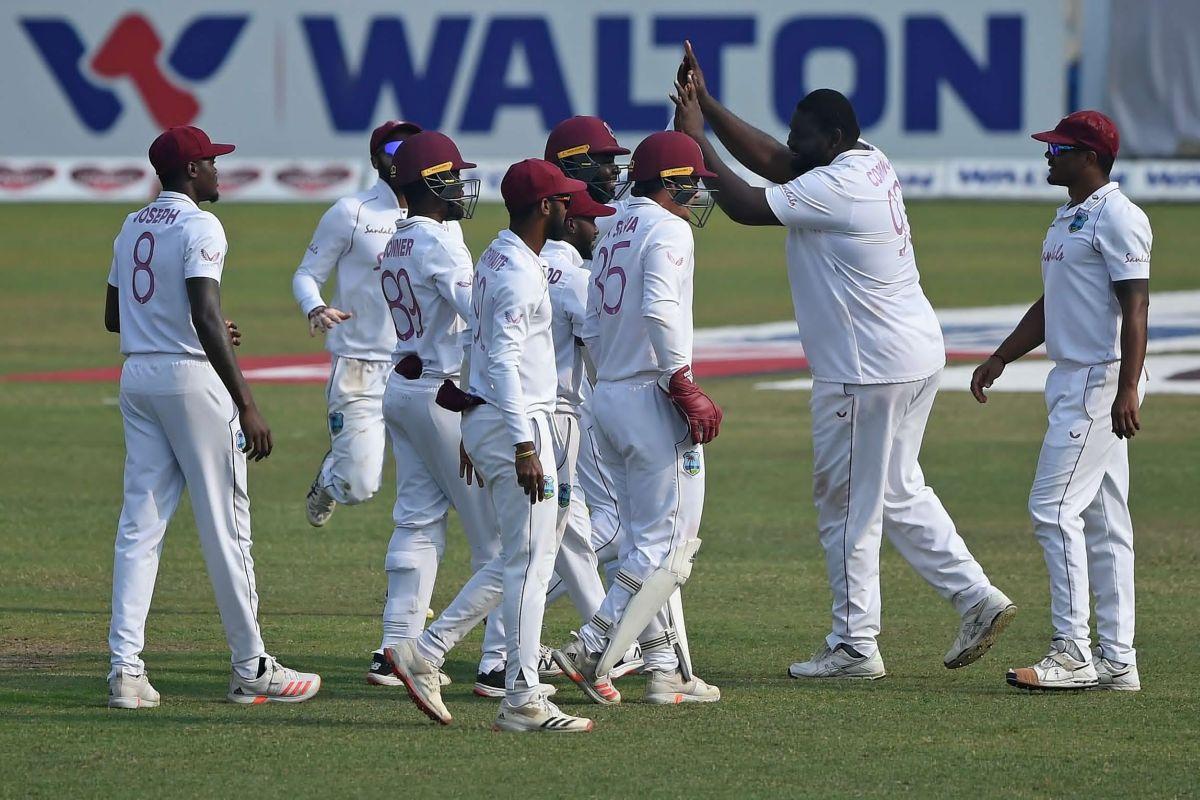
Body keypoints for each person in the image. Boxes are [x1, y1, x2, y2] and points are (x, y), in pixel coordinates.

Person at [670, 42, 1015, 679]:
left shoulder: (837, 187)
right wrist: (710, 107)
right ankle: (976, 598)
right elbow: (778, 160)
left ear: (831, 138)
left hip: (866, 368)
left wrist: (693, 144)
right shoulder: (863, 159)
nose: (791, 146)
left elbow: (747, 205)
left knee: (845, 503)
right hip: (911, 355)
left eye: (803, 137)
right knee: (896, 489)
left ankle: (856, 645)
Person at [104, 126, 320, 707]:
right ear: (191, 171)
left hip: (139, 378)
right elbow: (203, 311)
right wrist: (246, 402)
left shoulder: (131, 226)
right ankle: (252, 666)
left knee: (138, 530)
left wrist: (187, 325)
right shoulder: (202, 225)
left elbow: (114, 316)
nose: (218, 172)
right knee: (228, 528)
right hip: (191, 383)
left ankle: (126, 672)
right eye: (211, 163)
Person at [388, 159, 594, 733]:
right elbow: (501, 358)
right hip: (516, 423)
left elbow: (481, 346)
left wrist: (481, 425)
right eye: (564, 200)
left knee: (520, 557)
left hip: (495, 420)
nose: (573, 208)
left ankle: (426, 652)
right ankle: (523, 699)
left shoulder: (497, 258)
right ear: (545, 207)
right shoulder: (516, 273)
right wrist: (521, 444)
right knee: (529, 563)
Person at [972, 111, 1150, 692]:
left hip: (1098, 384)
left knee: (1052, 510)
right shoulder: (1070, 217)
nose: (1050, 157)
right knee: (1104, 521)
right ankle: (1117, 660)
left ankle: (1072, 652)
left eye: (1060, 150)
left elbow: (1136, 307)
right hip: (1074, 379)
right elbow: (1054, 304)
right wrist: (1002, 356)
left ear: (1090, 158)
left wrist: (1127, 387)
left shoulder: (1118, 218)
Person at [552, 131, 723, 706]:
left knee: (643, 544)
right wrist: (681, 380)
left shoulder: (613, 223)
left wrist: (618, 379)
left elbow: (596, 320)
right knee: (671, 547)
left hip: (610, 394)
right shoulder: (667, 228)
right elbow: (658, 306)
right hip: (652, 394)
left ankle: (665, 670)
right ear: (672, 183)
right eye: (694, 181)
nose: (698, 193)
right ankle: (593, 644)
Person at [367, 130, 509, 693]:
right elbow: (480, 313)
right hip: (444, 391)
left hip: (403, 388)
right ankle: (498, 662)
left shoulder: (397, 241)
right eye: (453, 176)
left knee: (417, 520)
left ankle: (391, 647)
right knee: (498, 539)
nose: (462, 187)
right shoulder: (439, 241)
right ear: (430, 183)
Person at [293, 120, 422, 527]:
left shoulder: (440, 215)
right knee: (360, 484)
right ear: (376, 159)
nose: (403, 155)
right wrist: (315, 306)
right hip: (359, 365)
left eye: (412, 147)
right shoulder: (352, 211)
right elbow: (306, 274)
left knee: (435, 486)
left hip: (420, 369)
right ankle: (331, 478)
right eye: (394, 147)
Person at [541, 188, 614, 626]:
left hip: (508, 413)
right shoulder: (575, 278)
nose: (599, 231)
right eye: (592, 222)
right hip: (565, 417)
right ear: (570, 223)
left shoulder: (514, 261)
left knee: (557, 532)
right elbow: (599, 360)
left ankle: (612, 642)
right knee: (562, 534)